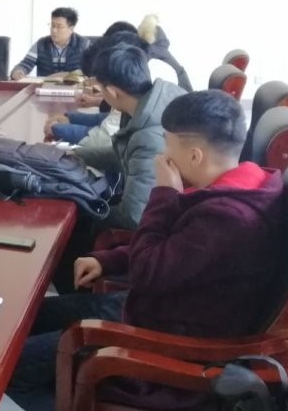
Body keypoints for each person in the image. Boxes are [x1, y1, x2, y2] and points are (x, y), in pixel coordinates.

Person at [6, 90, 285, 411]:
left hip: (170, 344)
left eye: (167, 144)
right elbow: (178, 249)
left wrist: (164, 193)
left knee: (12, 366)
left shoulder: (227, 217)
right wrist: (108, 260)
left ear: (194, 155)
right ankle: (68, 408)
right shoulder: (239, 184)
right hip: (162, 311)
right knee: (34, 316)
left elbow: (147, 270)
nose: (162, 154)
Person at [51, 39, 187, 294]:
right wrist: (75, 155)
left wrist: (84, 207)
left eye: (100, 89)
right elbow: (123, 155)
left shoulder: (149, 135)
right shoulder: (153, 101)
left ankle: (78, 300)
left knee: (68, 230)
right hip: (156, 207)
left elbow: (134, 216)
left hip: (151, 227)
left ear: (112, 92)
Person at [10, 7, 93, 80]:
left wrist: (68, 75)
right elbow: (26, 63)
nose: (54, 30)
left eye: (59, 26)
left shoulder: (84, 45)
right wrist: (18, 71)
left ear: (71, 29)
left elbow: (93, 71)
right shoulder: (41, 44)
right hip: (44, 89)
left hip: (75, 89)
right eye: (52, 25)